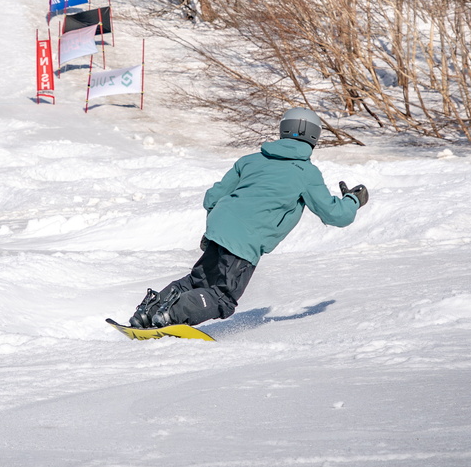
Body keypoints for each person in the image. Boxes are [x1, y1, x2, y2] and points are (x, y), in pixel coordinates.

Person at [126, 109, 368, 330]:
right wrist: (353, 200)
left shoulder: (251, 160)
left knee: (199, 280)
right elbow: (336, 215)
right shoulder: (305, 173)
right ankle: (172, 314)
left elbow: (212, 197)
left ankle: (148, 311)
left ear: (283, 129)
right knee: (223, 298)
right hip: (245, 241)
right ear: (314, 137)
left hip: (218, 230)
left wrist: (216, 230)